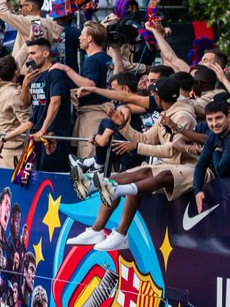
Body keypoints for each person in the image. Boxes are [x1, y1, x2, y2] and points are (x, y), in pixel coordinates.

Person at [67, 77, 197, 252]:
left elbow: (171, 150)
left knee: (136, 177)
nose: (151, 98)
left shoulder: (182, 116)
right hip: (165, 164)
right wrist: (123, 127)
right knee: (128, 177)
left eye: (153, 94)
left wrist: (137, 147)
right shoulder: (167, 112)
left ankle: (93, 188)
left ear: (158, 97)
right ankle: (97, 229)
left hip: (180, 168)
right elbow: (146, 138)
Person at [3, 38, 74, 173]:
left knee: (50, 181)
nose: (30, 57)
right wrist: (25, 84)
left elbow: (55, 102)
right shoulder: (34, 75)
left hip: (53, 137)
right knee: (33, 179)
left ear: (46, 53)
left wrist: (43, 129)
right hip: (36, 137)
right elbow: (24, 104)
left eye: (33, 53)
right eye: (29, 53)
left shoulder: (55, 73)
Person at [52, 21, 112, 160]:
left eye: (82, 35)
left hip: (92, 115)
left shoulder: (91, 61)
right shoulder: (107, 59)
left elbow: (90, 85)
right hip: (104, 111)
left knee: (88, 155)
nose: (79, 38)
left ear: (90, 38)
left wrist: (65, 68)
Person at [193, 99, 230, 211]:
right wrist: (198, 191)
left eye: (218, 118)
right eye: (210, 119)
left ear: (228, 117)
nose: (214, 124)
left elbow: (221, 171)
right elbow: (201, 165)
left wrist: (216, 152)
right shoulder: (214, 136)